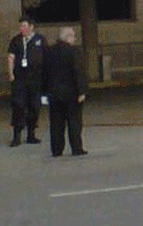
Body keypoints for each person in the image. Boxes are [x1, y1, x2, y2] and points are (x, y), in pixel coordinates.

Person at [43, 27, 88, 157]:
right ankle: (76, 148)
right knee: (74, 122)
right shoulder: (73, 52)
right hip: (71, 93)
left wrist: (45, 91)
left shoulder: (49, 52)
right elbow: (77, 72)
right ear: (68, 37)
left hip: (54, 93)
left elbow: (44, 73)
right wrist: (82, 91)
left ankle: (57, 149)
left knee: (56, 123)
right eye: (73, 36)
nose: (74, 39)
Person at [7, 16, 47, 146]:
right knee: (18, 106)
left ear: (31, 26)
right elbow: (11, 57)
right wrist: (11, 73)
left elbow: (46, 58)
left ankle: (31, 134)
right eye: (20, 26)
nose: (22, 29)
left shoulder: (40, 40)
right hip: (20, 79)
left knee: (34, 107)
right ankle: (17, 135)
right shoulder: (16, 41)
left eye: (24, 26)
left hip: (36, 79)